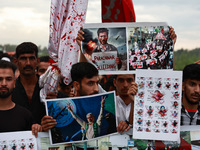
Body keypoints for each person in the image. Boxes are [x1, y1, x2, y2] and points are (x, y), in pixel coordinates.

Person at [41, 62, 103, 131]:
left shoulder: (104, 104)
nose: (96, 89)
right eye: (90, 83)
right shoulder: (61, 109)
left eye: (97, 83)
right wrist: (45, 128)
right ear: (76, 85)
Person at [0, 60, 41, 137]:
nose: (4, 84)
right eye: (0, 79)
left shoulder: (26, 115)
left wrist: (37, 130)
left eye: (8, 79)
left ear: (14, 83)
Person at [12, 42, 46, 124]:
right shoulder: (10, 90)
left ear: (37, 61)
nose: (28, 63)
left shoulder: (48, 87)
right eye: (23, 59)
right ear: (16, 62)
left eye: (31, 58)